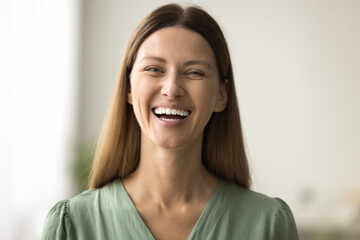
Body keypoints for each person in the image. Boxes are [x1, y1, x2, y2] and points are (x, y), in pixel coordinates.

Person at [42, 3, 299, 240]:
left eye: (195, 72)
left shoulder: (268, 225)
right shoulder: (73, 225)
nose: (172, 88)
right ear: (128, 88)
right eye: (154, 69)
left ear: (221, 95)